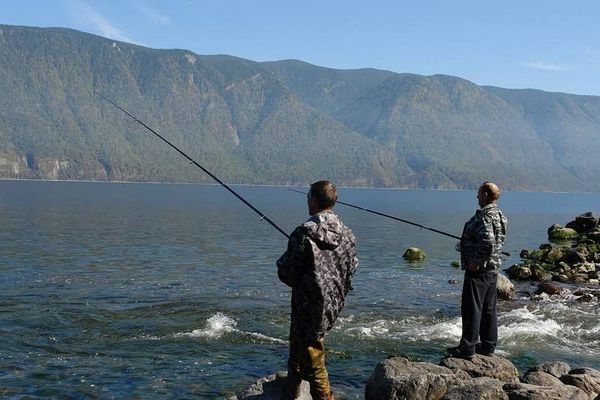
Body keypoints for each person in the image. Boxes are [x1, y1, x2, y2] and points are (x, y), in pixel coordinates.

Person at [277, 180, 358, 400]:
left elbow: (286, 273)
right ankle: (291, 390)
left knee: (313, 355)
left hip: (307, 304)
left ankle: (324, 395)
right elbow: (352, 267)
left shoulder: (303, 233)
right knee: (299, 344)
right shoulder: (348, 235)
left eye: (308, 196)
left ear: (313, 200)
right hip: (333, 304)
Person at [447, 181, 508, 359]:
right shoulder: (500, 215)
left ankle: (468, 348)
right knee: (489, 308)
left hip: (479, 270)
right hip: (493, 269)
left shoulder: (484, 217)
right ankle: (488, 346)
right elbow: (495, 241)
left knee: (471, 308)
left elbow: (488, 242)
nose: (476, 196)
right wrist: (467, 244)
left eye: (479, 193)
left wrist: (476, 261)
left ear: (486, 195)